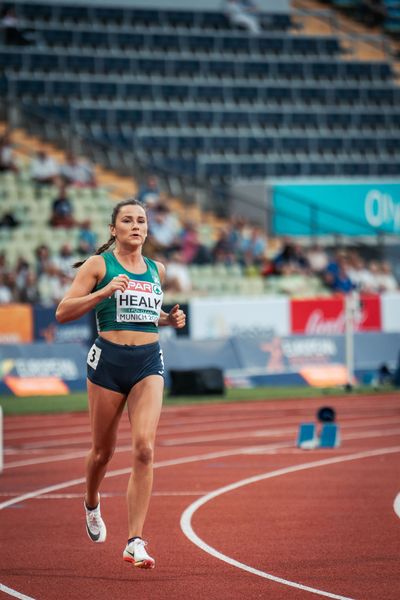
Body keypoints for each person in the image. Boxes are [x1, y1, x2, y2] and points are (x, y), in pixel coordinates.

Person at [55, 198, 186, 569]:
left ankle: (135, 540)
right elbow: (63, 311)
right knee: (102, 453)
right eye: (127, 220)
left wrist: (168, 319)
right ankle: (92, 502)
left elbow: (145, 315)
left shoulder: (156, 268)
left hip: (148, 361)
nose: (136, 226)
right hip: (108, 363)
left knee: (144, 448)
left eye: (141, 221)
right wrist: (104, 292)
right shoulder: (100, 265)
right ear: (113, 229)